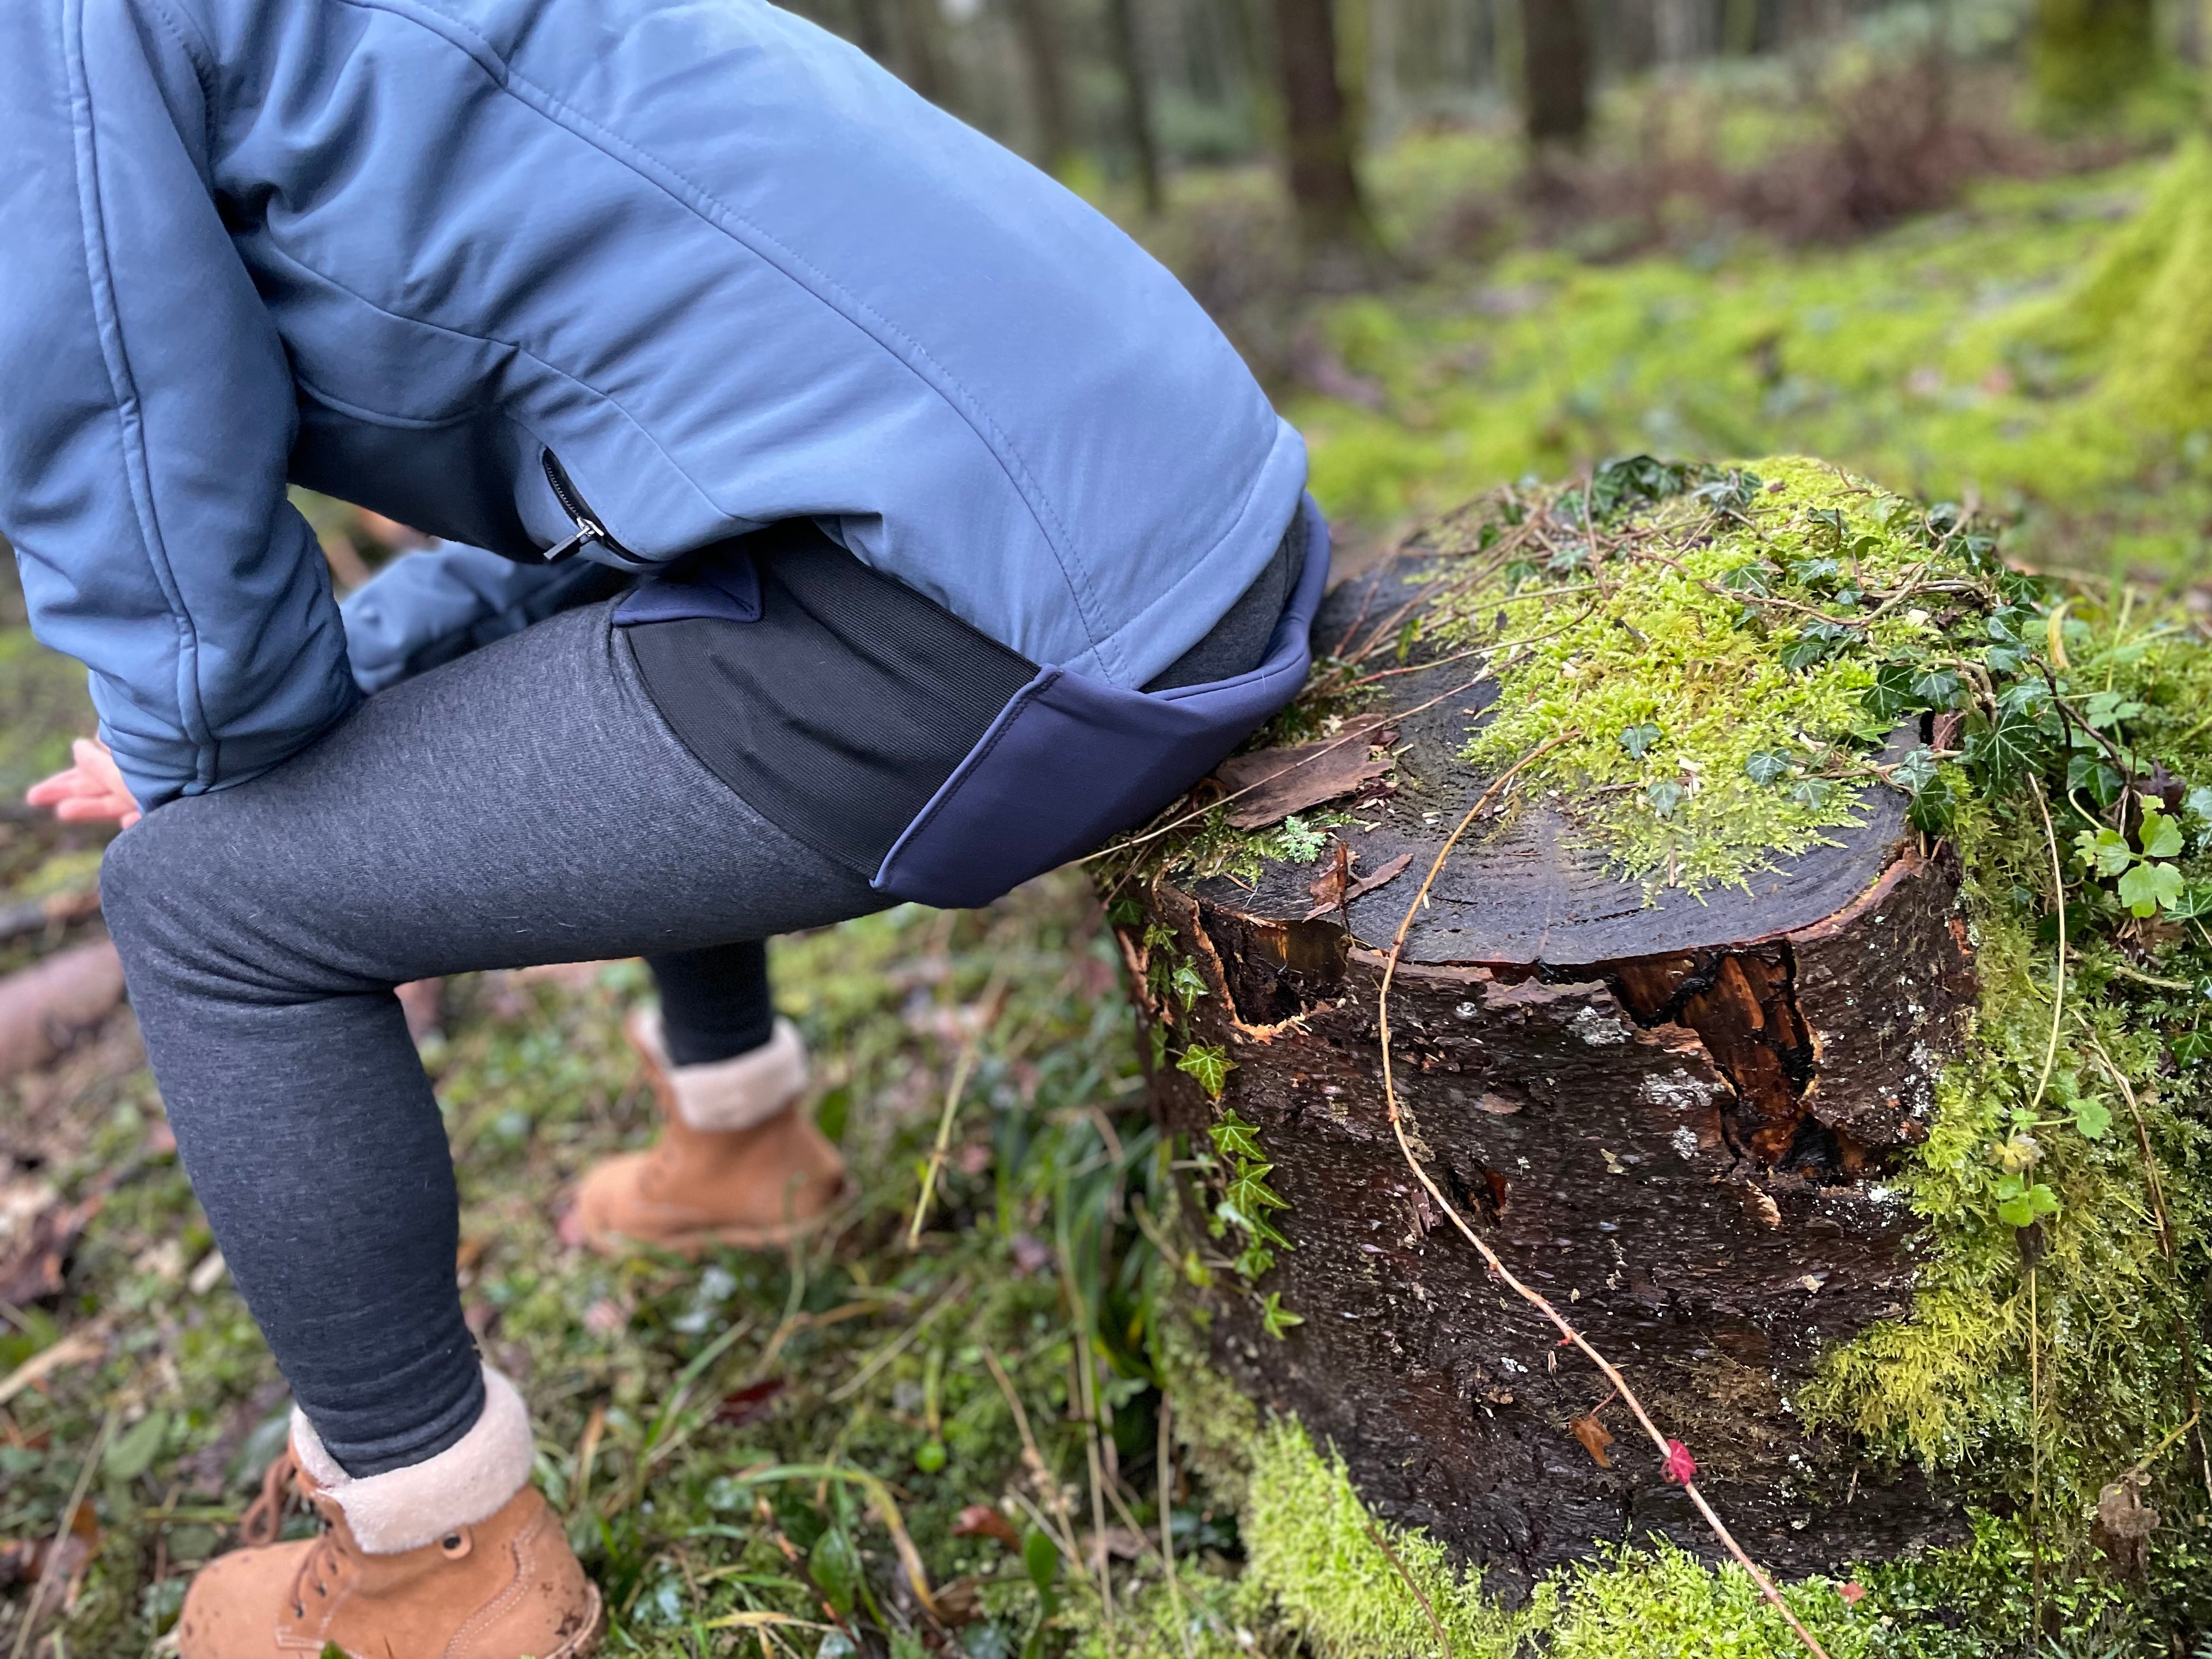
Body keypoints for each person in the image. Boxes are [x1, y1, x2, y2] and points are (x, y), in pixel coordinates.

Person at [0, 1, 1323, 1654]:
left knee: (202, 899)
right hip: (1188, 518)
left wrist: (193, 744)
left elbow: (121, 425)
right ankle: (743, 1141)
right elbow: (634, 474)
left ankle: (435, 1555)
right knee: (657, 596)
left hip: (1011, 622)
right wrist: (335, 670)